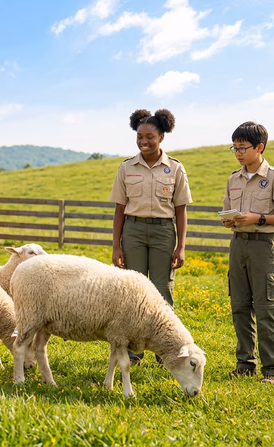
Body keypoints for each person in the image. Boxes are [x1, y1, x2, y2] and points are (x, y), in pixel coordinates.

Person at [109, 109, 192, 364]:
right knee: (133, 291)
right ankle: (133, 351)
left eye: (150, 137)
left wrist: (180, 246)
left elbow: (181, 210)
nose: (144, 142)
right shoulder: (126, 167)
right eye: (139, 137)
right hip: (132, 231)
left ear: (162, 137)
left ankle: (166, 350)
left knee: (163, 289)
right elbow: (119, 209)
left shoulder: (175, 168)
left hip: (163, 232)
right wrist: (116, 246)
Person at [221, 121, 274, 385]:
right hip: (238, 245)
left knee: (265, 307)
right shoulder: (233, 178)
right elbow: (227, 210)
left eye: (243, 147)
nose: (238, 152)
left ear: (259, 147)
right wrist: (229, 221)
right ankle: (245, 363)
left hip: (263, 247)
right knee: (239, 306)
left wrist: (258, 218)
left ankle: (273, 370)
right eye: (235, 148)